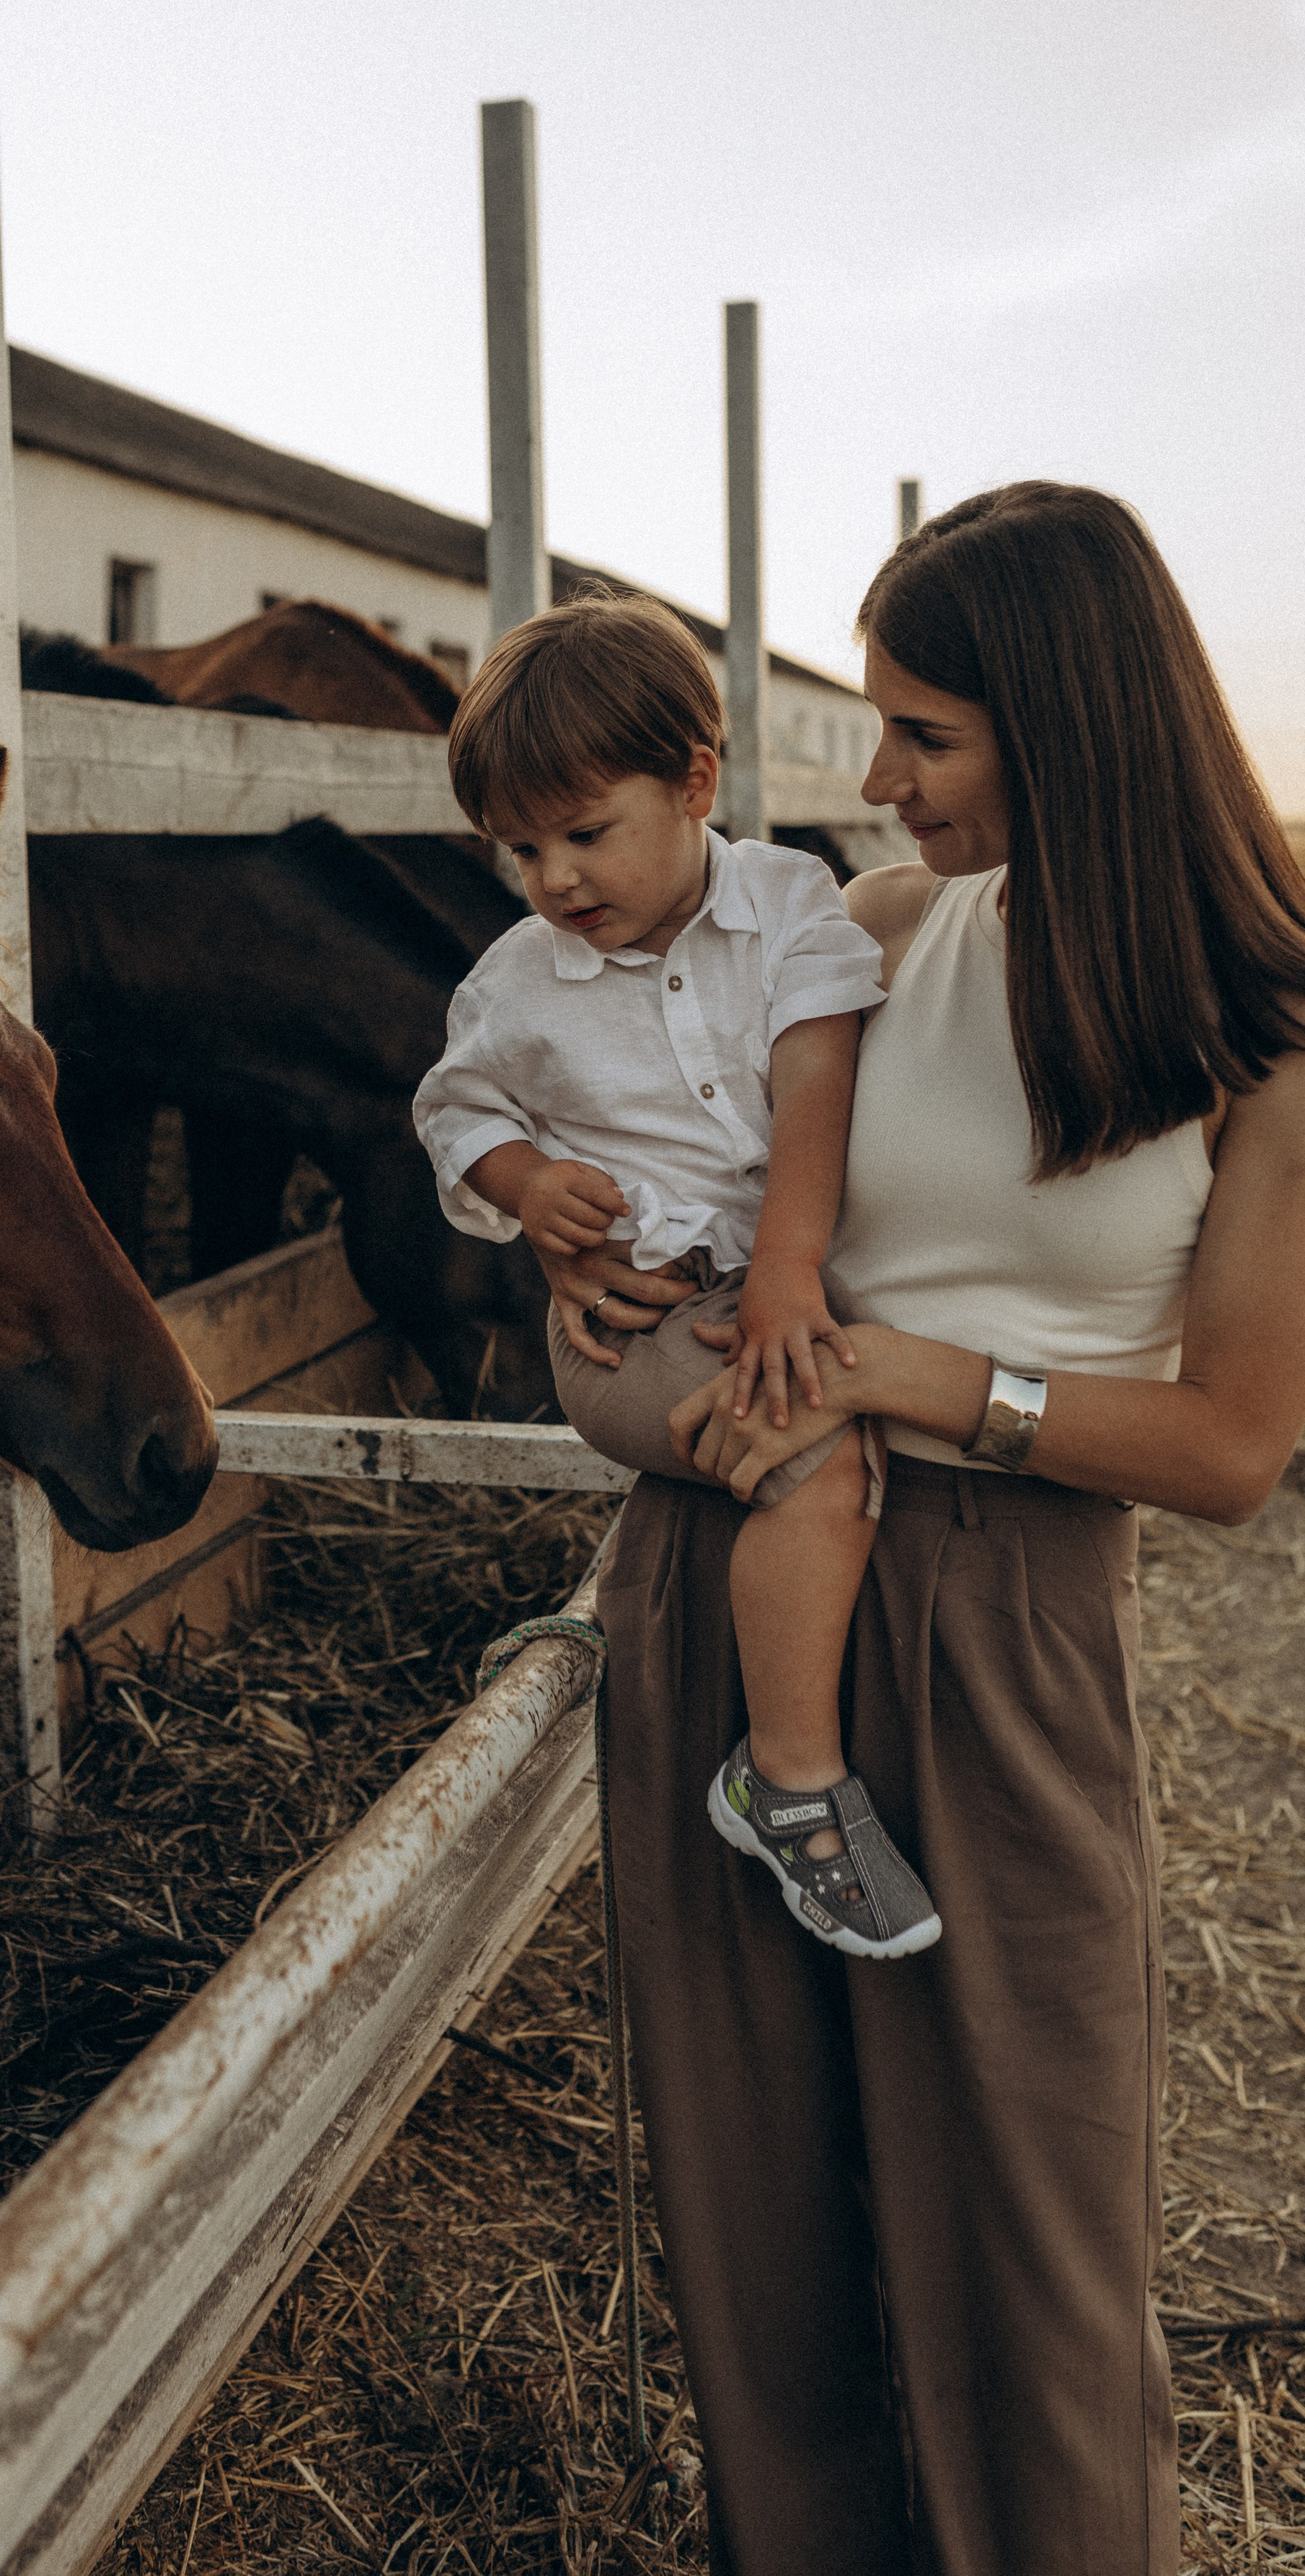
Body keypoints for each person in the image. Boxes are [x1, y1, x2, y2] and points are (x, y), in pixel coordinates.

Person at [554, 482, 1305, 2576]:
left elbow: (1238, 1447)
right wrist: (595, 1270)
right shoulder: (866, 937)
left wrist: (932, 1384)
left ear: (1074, 723)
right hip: (741, 1569)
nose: (877, 780)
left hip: (1008, 1616)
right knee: (757, 2200)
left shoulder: (1271, 1033)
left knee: (1033, 2228)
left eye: (926, 735)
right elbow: (670, 1174)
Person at [412, 591, 939, 1959]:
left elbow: (816, 1086)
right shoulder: (518, 982)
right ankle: (793, 1782)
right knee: (814, 1454)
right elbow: (452, 1113)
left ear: (695, 781)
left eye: (586, 833)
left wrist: (785, 1275)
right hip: (629, 1321)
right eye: (520, 850)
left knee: (844, 1422)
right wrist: (527, 1192)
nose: (555, 880)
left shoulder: (788, 905)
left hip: (772, 1278)